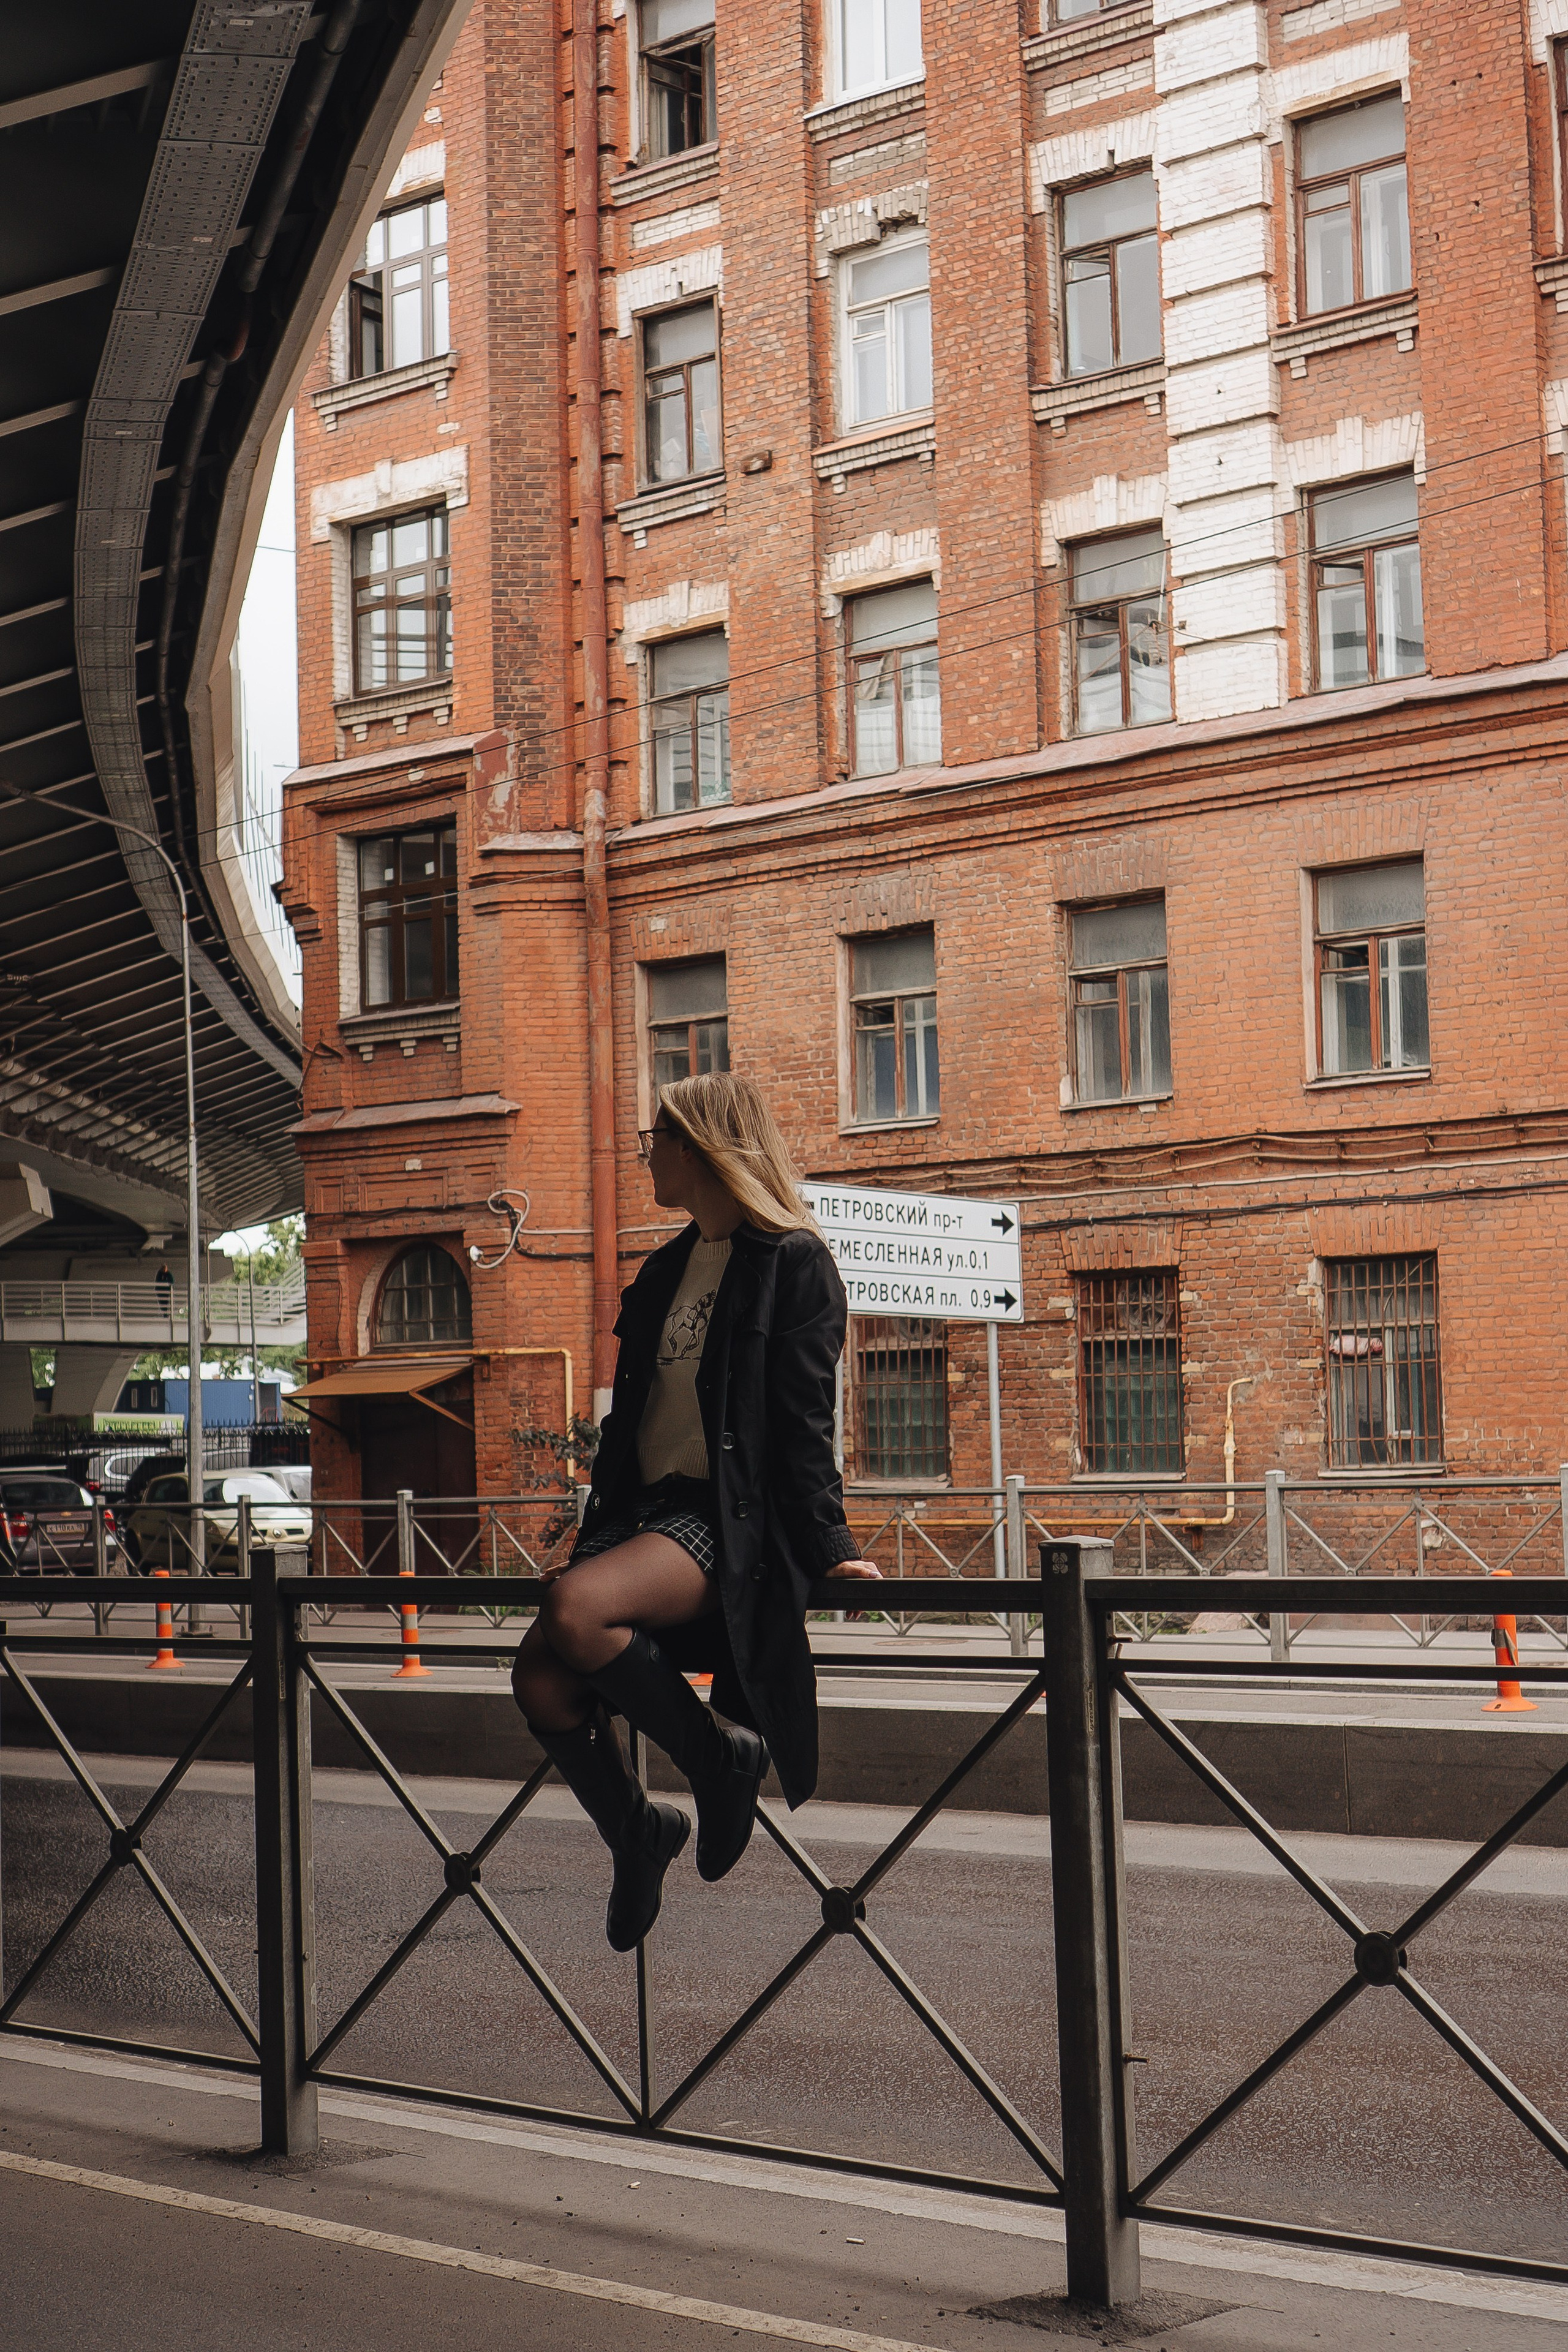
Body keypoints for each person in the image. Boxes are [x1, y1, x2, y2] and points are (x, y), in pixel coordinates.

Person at [511, 1072, 880, 1951]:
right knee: (540, 1679)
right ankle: (638, 1834)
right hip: (644, 1516)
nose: (648, 1156)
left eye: (658, 1141)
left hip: (728, 1519)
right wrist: (594, 1536)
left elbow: (802, 1424)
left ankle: (721, 1758)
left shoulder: (793, 1263)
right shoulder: (668, 1269)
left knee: (575, 1608)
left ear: (705, 1148)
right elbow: (638, 1415)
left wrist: (831, 1545)